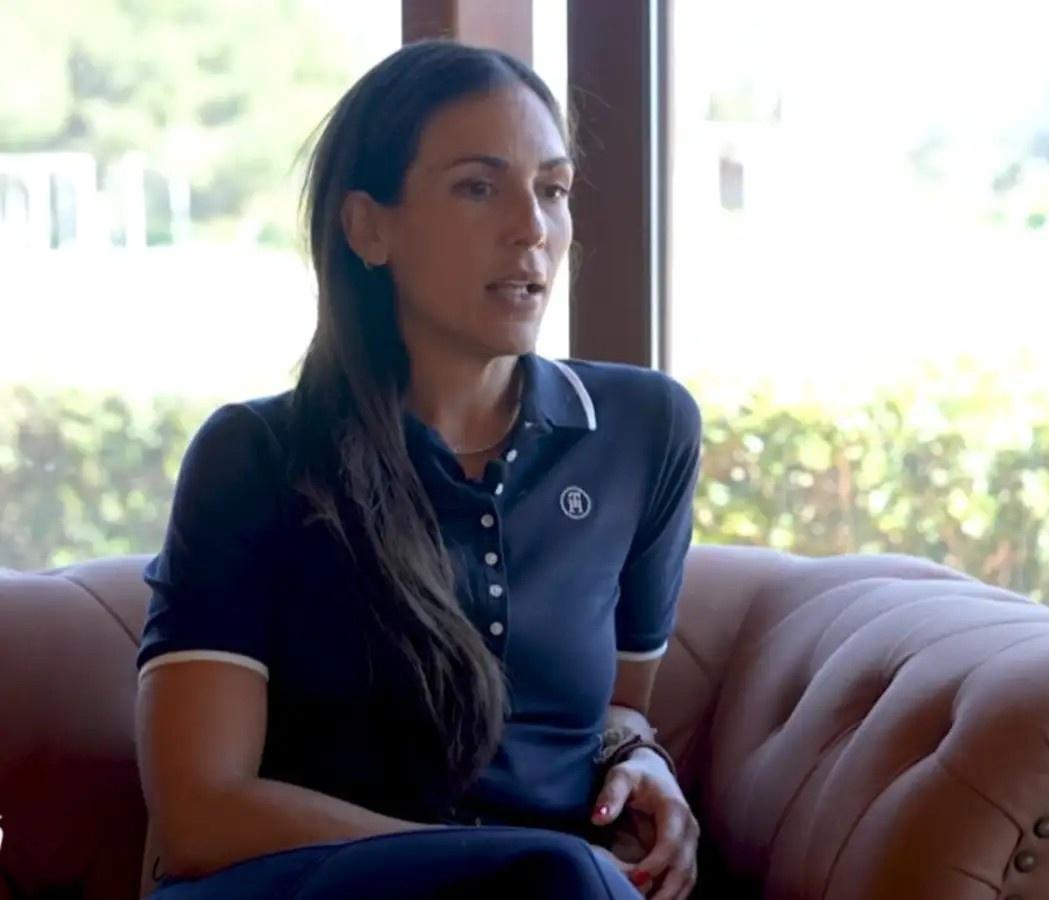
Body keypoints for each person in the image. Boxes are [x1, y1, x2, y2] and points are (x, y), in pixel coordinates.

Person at [134, 39, 703, 900]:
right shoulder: (255, 456)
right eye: (478, 187)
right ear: (370, 228)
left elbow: (619, 705)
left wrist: (640, 756)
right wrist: (506, 866)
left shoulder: (643, 431)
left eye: (553, 190)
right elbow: (199, 817)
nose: (532, 228)